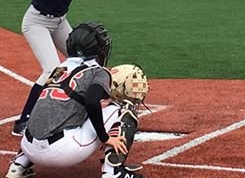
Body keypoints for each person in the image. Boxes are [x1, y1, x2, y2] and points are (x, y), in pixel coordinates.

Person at [5, 22, 149, 178]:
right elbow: (92, 101)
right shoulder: (98, 72)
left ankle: (18, 166)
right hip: (62, 152)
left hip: (28, 147)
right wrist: (105, 137)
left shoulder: (59, 69)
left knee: (49, 108)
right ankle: (113, 172)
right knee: (123, 108)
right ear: (98, 49)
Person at [11, 0, 100, 137]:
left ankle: (77, 108)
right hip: (37, 22)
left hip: (60, 22)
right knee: (51, 69)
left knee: (85, 60)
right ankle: (24, 121)